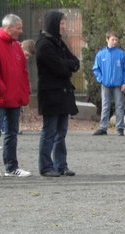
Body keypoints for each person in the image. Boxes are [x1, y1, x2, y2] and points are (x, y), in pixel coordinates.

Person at [0, 14, 31, 177]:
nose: (21, 31)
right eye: (18, 28)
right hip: (0, 99)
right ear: (8, 28)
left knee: (12, 133)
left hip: (14, 99)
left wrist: (24, 92)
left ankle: (11, 167)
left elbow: (23, 72)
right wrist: (2, 91)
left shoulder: (16, 46)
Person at [35, 10, 80, 177]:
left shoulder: (58, 42)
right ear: (54, 24)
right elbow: (60, 68)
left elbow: (75, 62)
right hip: (51, 95)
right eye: (61, 23)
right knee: (49, 131)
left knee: (61, 132)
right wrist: (67, 66)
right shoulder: (44, 44)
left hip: (63, 94)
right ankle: (46, 166)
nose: (64, 26)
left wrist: (67, 65)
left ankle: (61, 165)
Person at [92, 31, 125, 135]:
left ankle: (120, 128)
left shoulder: (121, 54)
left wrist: (124, 83)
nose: (115, 42)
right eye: (112, 39)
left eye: (116, 40)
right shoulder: (101, 54)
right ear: (107, 40)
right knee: (105, 105)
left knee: (119, 105)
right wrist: (101, 79)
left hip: (118, 84)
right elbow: (96, 69)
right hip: (105, 84)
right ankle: (103, 127)